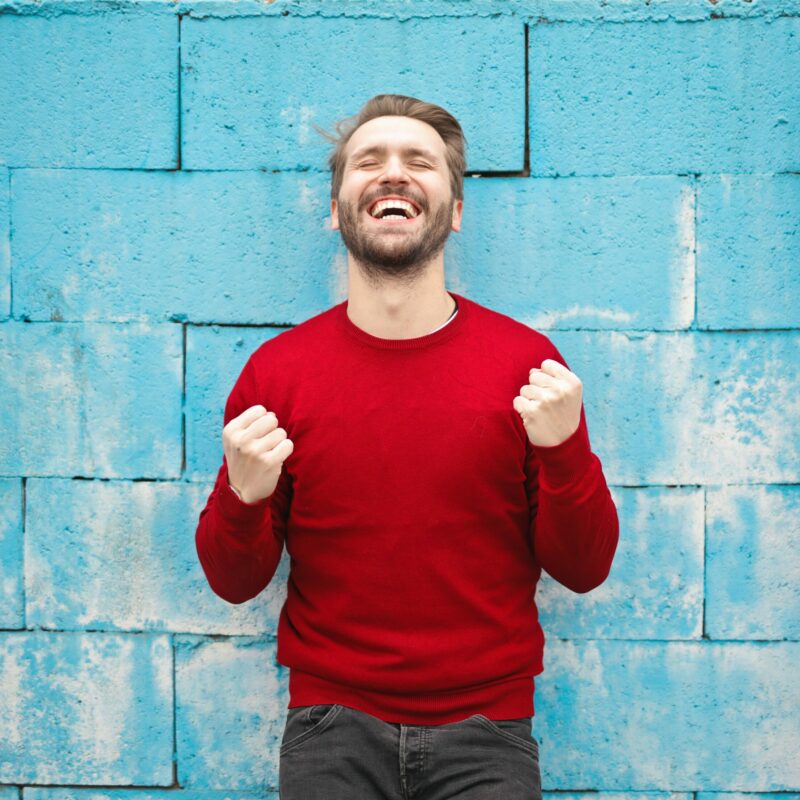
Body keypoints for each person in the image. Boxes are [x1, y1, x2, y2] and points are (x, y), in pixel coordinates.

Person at [195, 93, 619, 799]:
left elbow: (584, 568)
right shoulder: (277, 375)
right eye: (370, 161)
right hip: (330, 731)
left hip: (491, 733)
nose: (393, 174)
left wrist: (566, 451)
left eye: (418, 162)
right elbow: (234, 582)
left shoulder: (527, 366)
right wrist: (244, 495)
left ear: (453, 211)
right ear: (337, 207)